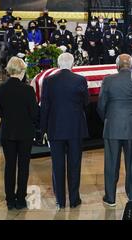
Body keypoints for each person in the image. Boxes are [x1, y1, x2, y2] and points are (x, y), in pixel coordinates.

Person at [40, 53, 89, 209]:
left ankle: (60, 200)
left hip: (55, 128)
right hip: (75, 128)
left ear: (58, 64)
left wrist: (43, 130)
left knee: (57, 165)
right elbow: (86, 102)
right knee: (74, 164)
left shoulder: (48, 81)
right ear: (72, 64)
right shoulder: (80, 80)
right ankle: (74, 200)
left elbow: (45, 107)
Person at [97, 54, 132, 207]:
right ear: (131, 66)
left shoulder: (108, 80)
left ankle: (110, 198)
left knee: (111, 164)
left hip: (112, 127)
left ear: (117, 66)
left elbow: (101, 105)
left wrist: (109, 118)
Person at [0, 57, 39, 209]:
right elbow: (34, 113)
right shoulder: (28, 90)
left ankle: (10, 200)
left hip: (7, 132)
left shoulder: (0, 88)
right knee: (23, 166)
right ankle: (20, 199)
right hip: (25, 133)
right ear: (22, 71)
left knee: (9, 166)